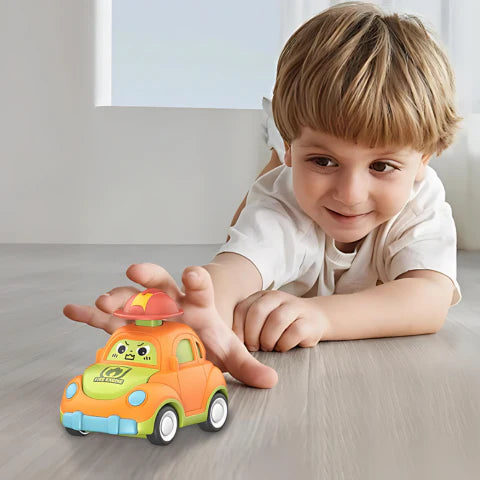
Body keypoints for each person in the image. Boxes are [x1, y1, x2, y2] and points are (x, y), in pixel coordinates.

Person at [64, 2, 462, 389]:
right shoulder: (283, 200)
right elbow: (234, 270)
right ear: (291, 147)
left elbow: (428, 299)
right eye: (323, 161)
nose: (350, 194)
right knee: (266, 196)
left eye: (381, 166)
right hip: (280, 187)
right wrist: (195, 316)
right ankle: (295, 151)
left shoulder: (421, 201)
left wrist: (320, 317)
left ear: (424, 160)